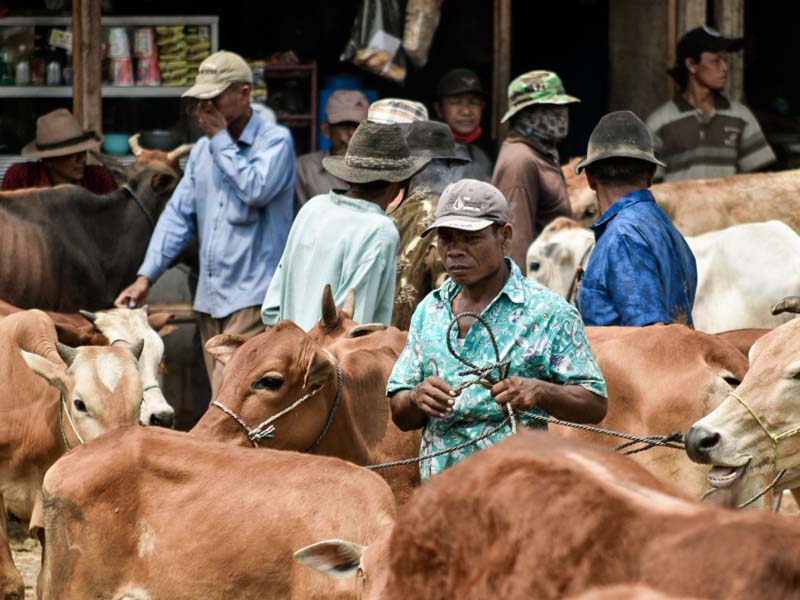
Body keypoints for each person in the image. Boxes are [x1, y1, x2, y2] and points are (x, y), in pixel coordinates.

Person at [387, 179, 607, 481]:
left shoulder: (548, 313)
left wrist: (540, 390)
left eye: (470, 238)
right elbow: (400, 412)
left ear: (504, 237)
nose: (455, 251)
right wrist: (415, 397)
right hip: (440, 501)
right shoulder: (430, 311)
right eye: (446, 239)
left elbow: (594, 404)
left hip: (517, 495)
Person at [114, 50, 295, 397]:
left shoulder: (275, 142)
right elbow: (178, 217)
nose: (204, 109)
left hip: (254, 297)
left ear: (244, 94)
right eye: (201, 101)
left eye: (213, 98)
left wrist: (221, 139)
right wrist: (145, 277)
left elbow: (255, 189)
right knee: (221, 398)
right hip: (210, 299)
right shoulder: (202, 151)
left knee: (235, 400)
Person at [261, 121, 429, 330]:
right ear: (401, 185)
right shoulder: (379, 230)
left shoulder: (313, 208)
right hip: (331, 361)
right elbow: (354, 329)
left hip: (290, 353)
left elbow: (271, 310)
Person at [575, 111, 698, 327]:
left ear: (590, 178)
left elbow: (649, 337)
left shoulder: (623, 238)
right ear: (651, 174)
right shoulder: (668, 230)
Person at [646, 26, 775, 182]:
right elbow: (651, 189)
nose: (725, 68)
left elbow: (759, 180)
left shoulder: (741, 117)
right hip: (681, 207)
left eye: (725, 61)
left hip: (729, 207)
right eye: (715, 61)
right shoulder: (659, 123)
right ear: (691, 65)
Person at [492, 70, 577, 273]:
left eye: (562, 106)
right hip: (537, 289)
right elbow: (514, 245)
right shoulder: (521, 161)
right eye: (549, 108)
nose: (561, 114)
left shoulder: (541, 154)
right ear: (524, 115)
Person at [389, 120, 468, 330]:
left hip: (380, 342)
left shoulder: (388, 210)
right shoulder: (448, 216)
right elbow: (450, 296)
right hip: (419, 345)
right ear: (450, 169)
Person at [2, 108, 115, 193]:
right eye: (71, 154)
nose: (82, 159)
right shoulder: (21, 178)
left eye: (82, 152)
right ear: (48, 161)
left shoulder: (98, 178)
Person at [294, 90, 369, 207]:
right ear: (326, 129)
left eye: (359, 127)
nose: (351, 136)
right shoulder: (306, 168)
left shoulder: (382, 172)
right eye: (344, 126)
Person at [434, 68, 493, 181]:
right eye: (456, 102)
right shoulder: (426, 155)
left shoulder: (482, 158)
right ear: (439, 109)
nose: (466, 111)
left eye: (473, 102)